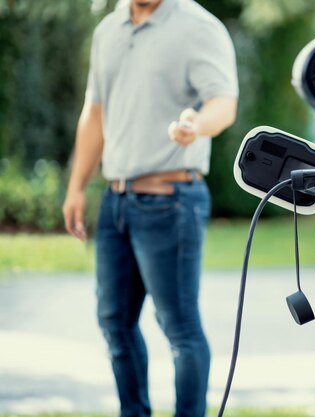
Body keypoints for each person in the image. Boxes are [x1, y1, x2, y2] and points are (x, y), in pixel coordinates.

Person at [62, 0, 238, 416]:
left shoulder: (197, 26)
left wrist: (196, 126)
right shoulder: (109, 30)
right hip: (115, 200)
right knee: (114, 322)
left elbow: (223, 103)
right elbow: (95, 112)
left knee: (179, 328)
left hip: (171, 201)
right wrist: (76, 186)